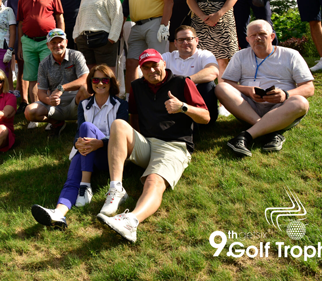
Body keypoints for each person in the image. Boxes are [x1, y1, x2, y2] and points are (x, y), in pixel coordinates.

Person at [97, 49, 209, 242]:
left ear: (163, 64)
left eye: (154, 65)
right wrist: (131, 144)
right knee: (118, 125)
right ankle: (116, 189)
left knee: (154, 182)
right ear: (141, 69)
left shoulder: (183, 82)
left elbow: (205, 117)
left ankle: (131, 221)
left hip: (173, 146)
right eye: (146, 67)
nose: (151, 70)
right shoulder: (137, 86)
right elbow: (134, 117)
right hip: (147, 143)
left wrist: (183, 107)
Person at [31, 65, 128, 228]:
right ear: (91, 82)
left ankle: (85, 186)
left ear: (111, 82)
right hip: (86, 151)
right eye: (95, 79)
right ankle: (59, 214)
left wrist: (101, 143)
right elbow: (79, 132)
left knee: (87, 128)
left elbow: (122, 136)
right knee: (71, 177)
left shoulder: (121, 105)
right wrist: (77, 142)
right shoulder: (84, 105)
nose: (100, 83)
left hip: (109, 156)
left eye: (105, 80)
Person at [217, 20, 314, 157]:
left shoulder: (291, 55)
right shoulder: (240, 55)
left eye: (262, 34)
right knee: (221, 87)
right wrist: (248, 90)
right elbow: (228, 83)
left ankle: (246, 136)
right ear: (247, 39)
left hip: (280, 107)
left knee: (301, 102)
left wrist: (285, 94)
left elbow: (309, 88)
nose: (257, 38)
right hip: (249, 107)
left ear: (272, 37)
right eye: (253, 35)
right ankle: (270, 130)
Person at [121, 0, 175, 93]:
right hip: (136, 26)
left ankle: (160, 96)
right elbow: (126, 5)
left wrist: (164, 25)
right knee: (132, 63)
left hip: (156, 24)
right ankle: (130, 99)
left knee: (156, 63)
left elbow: (169, 2)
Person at [17, 0, 65, 106]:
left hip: (48, 42)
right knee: (32, 78)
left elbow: (59, 18)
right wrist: (20, 45)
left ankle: (50, 110)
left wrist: (61, 39)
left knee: (50, 76)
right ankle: (35, 110)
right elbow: (20, 23)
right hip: (28, 42)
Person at [24, 29, 89, 132]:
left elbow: (85, 79)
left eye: (60, 41)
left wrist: (61, 88)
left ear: (66, 42)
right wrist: (49, 100)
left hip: (76, 100)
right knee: (29, 111)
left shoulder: (76, 55)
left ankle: (83, 121)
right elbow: (41, 93)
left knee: (87, 88)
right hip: (55, 105)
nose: (57, 45)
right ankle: (56, 123)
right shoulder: (44, 64)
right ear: (48, 45)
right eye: (53, 42)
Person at [162, 26, 219, 126]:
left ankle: (203, 122)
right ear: (175, 43)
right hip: (175, 99)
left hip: (199, 101)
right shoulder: (167, 57)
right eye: (181, 40)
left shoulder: (205, 55)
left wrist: (185, 82)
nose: (185, 43)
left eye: (189, 39)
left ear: (196, 40)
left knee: (208, 84)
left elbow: (213, 71)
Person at [73, 0, 123, 72]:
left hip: (104, 41)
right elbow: (79, 18)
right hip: (84, 40)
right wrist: (76, 36)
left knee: (107, 74)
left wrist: (112, 38)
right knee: (88, 74)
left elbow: (117, 17)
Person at [7, 0, 31, 110]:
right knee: (21, 68)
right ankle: (24, 100)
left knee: (37, 69)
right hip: (19, 35)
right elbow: (12, 21)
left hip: (35, 35)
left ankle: (38, 99)